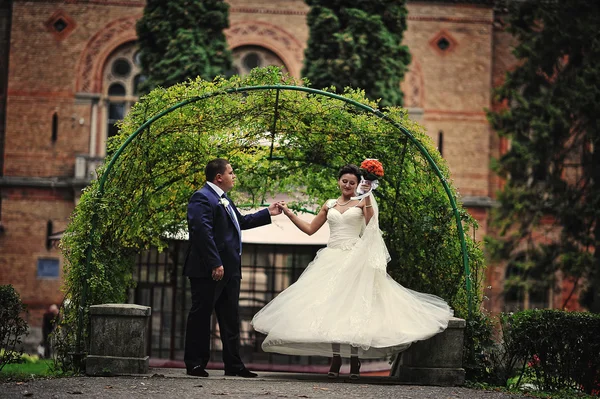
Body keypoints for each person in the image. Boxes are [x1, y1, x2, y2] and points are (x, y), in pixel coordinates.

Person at [251, 164, 453, 379]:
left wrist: (367, 199)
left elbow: (371, 226)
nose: (347, 185)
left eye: (352, 182)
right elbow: (310, 230)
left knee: (354, 306)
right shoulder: (329, 204)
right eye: (344, 181)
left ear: (358, 185)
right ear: (338, 181)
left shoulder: (362, 202)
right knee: (332, 308)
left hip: (354, 259)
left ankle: (355, 359)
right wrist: (290, 214)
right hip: (330, 258)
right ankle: (335, 358)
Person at [183, 158, 282, 378]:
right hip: (208, 270)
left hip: (230, 269)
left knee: (230, 317)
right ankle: (196, 364)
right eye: (231, 172)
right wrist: (215, 263)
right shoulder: (202, 197)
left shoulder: (224, 199)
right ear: (219, 177)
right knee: (201, 315)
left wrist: (268, 213)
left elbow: (242, 222)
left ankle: (234, 365)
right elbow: (202, 232)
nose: (234, 175)